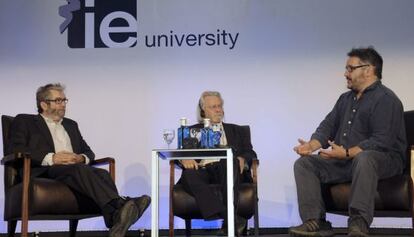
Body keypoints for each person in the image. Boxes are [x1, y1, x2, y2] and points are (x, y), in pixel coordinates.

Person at [288, 47, 406, 237]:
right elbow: (328, 126)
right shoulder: (345, 99)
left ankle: (358, 224)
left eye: (350, 69)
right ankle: (315, 221)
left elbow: (382, 141)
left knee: (365, 158)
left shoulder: (387, 100)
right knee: (305, 164)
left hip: (384, 160)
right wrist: (312, 145)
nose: (346, 74)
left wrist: (348, 153)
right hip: (348, 160)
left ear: (368, 70)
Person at [7, 83, 151, 237]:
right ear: (43, 104)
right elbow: (15, 149)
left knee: (102, 174)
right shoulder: (25, 121)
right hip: (43, 170)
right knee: (79, 169)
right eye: (58, 101)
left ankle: (117, 219)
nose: (63, 104)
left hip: (73, 170)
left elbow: (88, 152)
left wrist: (80, 157)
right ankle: (120, 205)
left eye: (64, 100)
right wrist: (51, 158)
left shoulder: (71, 125)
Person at [177, 91, 257, 236]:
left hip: (227, 169)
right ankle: (230, 218)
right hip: (201, 170)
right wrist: (183, 159)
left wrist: (243, 159)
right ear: (203, 110)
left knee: (230, 161)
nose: (218, 110)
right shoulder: (191, 130)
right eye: (213, 106)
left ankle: (227, 224)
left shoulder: (237, 130)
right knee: (189, 174)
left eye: (220, 106)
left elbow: (250, 153)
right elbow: (179, 153)